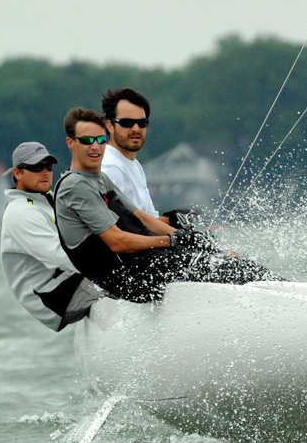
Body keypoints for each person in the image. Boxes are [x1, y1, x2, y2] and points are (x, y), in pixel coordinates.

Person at [54, 107, 278, 303]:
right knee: (226, 269)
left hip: (143, 263)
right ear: (70, 142)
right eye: (86, 140)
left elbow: (143, 218)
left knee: (225, 260)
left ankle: (281, 290)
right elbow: (117, 242)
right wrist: (171, 240)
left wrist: (194, 241)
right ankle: (279, 301)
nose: (95, 147)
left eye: (101, 140)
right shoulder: (76, 186)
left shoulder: (99, 178)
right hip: (130, 279)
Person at [0, 141, 102, 331]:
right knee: (123, 290)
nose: (45, 172)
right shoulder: (20, 213)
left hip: (69, 279)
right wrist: (110, 272)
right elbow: (59, 255)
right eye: (37, 167)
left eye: (48, 166)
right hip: (52, 295)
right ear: (18, 173)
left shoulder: (46, 199)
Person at [100, 87, 161, 220]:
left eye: (142, 123)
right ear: (109, 126)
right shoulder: (111, 167)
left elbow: (151, 218)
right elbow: (121, 227)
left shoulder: (133, 164)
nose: (136, 129)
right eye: (127, 123)